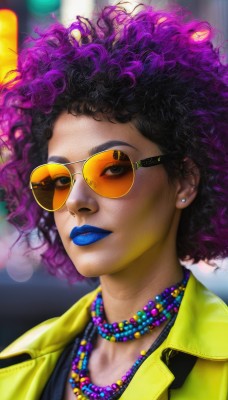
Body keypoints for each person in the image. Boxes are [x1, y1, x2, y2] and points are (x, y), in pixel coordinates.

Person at [0, 2, 227, 399]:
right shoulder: (15, 370)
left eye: (111, 168)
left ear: (184, 181)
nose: (76, 201)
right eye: (56, 179)